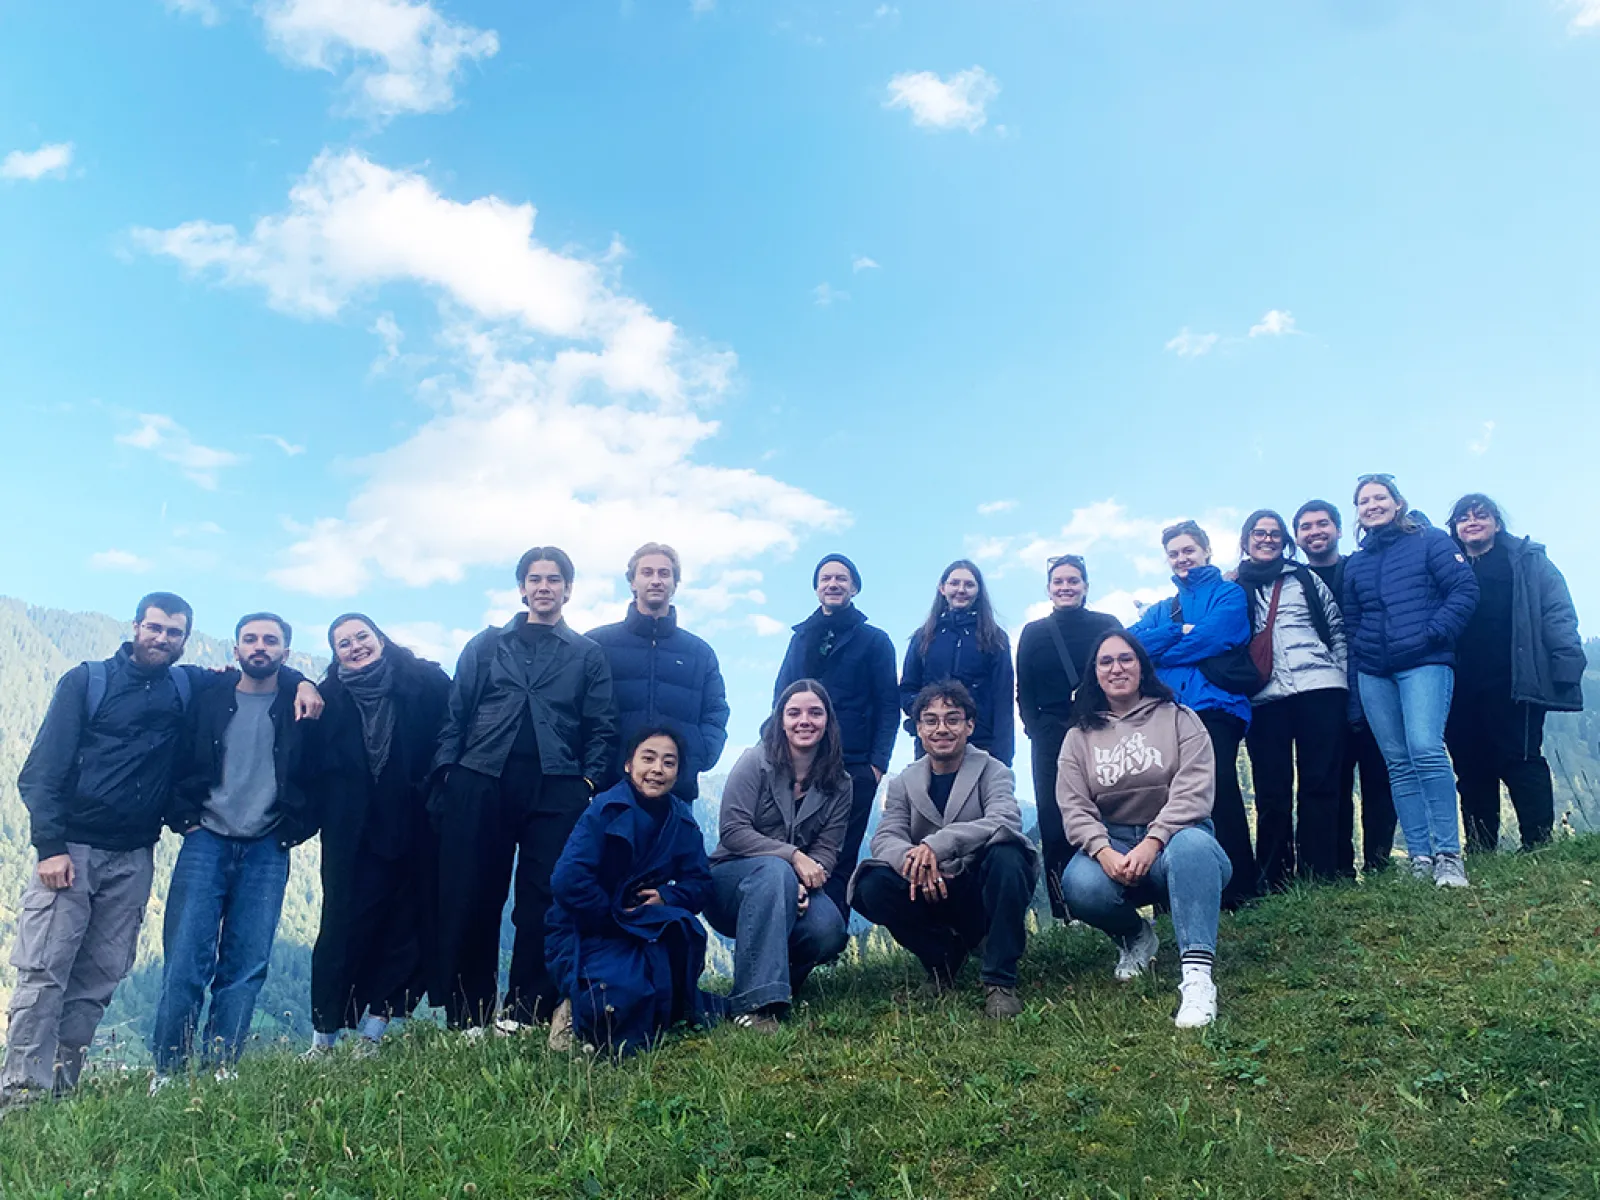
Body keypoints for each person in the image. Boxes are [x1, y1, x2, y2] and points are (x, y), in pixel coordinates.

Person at [4, 593, 319, 1103]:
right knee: (45, 971)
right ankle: (21, 1092)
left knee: (98, 975)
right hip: (74, 848)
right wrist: (49, 846)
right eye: (154, 628)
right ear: (136, 626)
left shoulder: (187, 682)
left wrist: (304, 681)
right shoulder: (88, 682)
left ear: (185, 639)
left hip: (134, 855)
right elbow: (42, 772)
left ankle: (60, 1089)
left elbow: (262, 673)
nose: (162, 638)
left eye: (174, 633)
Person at [432, 547, 619, 1030]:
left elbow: (601, 726)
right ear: (521, 588)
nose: (543, 587)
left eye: (554, 579)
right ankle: (468, 1014)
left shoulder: (585, 653)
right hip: (481, 778)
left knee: (542, 897)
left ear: (568, 590)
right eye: (534, 579)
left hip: (557, 785)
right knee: (474, 893)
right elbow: (456, 713)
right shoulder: (488, 644)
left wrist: (588, 781)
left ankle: (527, 1011)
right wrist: (449, 773)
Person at [150, 613, 318, 1086]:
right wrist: (184, 820)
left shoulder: (301, 706)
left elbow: (322, 772)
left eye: (270, 640)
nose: (259, 647)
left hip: (268, 845)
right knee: (185, 959)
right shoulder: (208, 698)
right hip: (206, 839)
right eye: (250, 639)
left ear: (286, 652)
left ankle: (221, 1068)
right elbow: (174, 757)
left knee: (246, 965)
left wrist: (295, 827)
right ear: (236, 647)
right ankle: (168, 1072)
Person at [1057, 630, 1233, 1029]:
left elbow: (1194, 789)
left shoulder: (1180, 718)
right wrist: (1103, 851)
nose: (1116, 668)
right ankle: (1137, 937)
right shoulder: (1078, 738)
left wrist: (1154, 841)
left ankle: (1197, 977)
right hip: (1114, 841)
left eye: (1126, 659)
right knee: (1080, 885)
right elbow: (1074, 806)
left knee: (1190, 847)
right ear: (1095, 675)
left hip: (1180, 838)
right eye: (1106, 662)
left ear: (1141, 666)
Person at [305, 614, 451, 1055]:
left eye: (361, 636)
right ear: (336, 655)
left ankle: (374, 1030)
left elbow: (455, 729)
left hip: (418, 824)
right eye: (343, 643)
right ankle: (324, 1037)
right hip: (352, 833)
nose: (355, 646)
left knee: (408, 928)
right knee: (341, 928)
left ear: (380, 638)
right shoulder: (327, 696)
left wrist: (440, 787)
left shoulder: (425, 682)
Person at [851, 681, 1038, 1019]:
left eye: (952, 719)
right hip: (925, 887)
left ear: (969, 726)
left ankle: (1000, 982)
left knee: (1009, 855)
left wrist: (936, 846)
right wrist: (917, 863)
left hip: (976, 889)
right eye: (931, 720)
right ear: (918, 728)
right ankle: (941, 961)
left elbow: (1003, 820)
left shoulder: (993, 771)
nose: (941, 729)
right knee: (870, 885)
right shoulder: (903, 782)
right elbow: (886, 837)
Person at [545, 728, 721, 1056]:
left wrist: (668, 898)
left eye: (669, 763)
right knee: (621, 992)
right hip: (589, 926)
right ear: (628, 765)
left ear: (677, 773)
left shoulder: (681, 820)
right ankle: (571, 1011)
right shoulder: (603, 810)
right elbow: (567, 881)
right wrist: (614, 918)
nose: (657, 769)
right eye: (648, 758)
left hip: (644, 924)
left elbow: (701, 884)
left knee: (683, 936)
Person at [1343, 475, 1479, 888]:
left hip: (1424, 662)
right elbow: (1351, 626)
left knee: (1425, 748)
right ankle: (1420, 857)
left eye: (1379, 497)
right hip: (1373, 670)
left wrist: (1435, 632)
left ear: (1397, 503)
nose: (1372, 505)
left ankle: (1448, 856)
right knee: (1398, 764)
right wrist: (1356, 690)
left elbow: (1464, 589)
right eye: (1364, 501)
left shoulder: (1430, 540)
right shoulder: (1357, 563)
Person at [705, 681, 853, 1033]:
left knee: (829, 930)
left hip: (793, 884)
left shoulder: (841, 783)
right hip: (730, 884)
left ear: (828, 721)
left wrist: (800, 880)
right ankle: (753, 1005)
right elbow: (733, 831)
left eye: (815, 713)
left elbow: (828, 850)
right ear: (781, 720)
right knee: (774, 870)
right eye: (794, 713)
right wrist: (792, 858)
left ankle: (779, 984)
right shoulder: (754, 761)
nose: (805, 720)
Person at [1128, 521, 1256, 908]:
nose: (1182, 558)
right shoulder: (1162, 609)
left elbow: (1216, 637)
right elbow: (1131, 646)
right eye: (1174, 553)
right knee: (1170, 800)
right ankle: (1176, 894)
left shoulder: (1228, 593)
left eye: (1189, 550)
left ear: (1206, 552)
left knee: (1218, 789)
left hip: (1217, 707)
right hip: (1168, 713)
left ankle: (1239, 889)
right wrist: (1179, 630)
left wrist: (1165, 644)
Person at [1445, 494, 1584, 852]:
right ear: (1455, 527)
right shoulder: (1445, 563)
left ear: (1497, 522)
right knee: (1472, 769)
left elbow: (1557, 610)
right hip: (1459, 685)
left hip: (1515, 680)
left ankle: (1537, 844)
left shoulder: (1525, 559)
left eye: (1481, 515)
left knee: (1521, 759)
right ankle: (1481, 850)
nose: (1472, 522)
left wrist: (1566, 661)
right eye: (1464, 517)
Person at [773, 554, 899, 915]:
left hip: (854, 763)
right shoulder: (799, 640)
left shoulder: (874, 641)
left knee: (841, 856)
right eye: (825, 578)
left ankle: (830, 935)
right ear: (816, 589)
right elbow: (780, 697)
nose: (833, 584)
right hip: (799, 764)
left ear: (854, 587)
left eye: (841, 578)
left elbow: (888, 704)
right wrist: (775, 752)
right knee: (797, 849)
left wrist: (877, 765)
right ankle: (795, 944)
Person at [1235, 511, 1349, 889]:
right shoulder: (1232, 588)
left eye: (1274, 534)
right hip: (1264, 697)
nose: (1266, 539)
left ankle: (1321, 874)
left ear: (1284, 541)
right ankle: (1274, 879)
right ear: (1246, 540)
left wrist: (1341, 677)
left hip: (1320, 687)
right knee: (1272, 790)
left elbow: (1335, 627)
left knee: (1321, 783)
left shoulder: (1305, 578)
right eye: (1258, 533)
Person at [1015, 554, 1123, 916]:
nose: (1065, 587)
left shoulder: (1107, 624)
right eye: (1058, 581)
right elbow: (1024, 687)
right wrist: (1035, 728)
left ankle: (1123, 894)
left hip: (1102, 727)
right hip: (1050, 734)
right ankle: (1066, 909)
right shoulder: (1034, 632)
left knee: (1111, 806)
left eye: (1073, 580)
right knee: (1053, 813)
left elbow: (1121, 669)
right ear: (1049, 589)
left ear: (1086, 587)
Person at [1293, 500, 1396, 875]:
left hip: (1373, 679)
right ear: (1298, 537)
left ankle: (1379, 863)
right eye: (1306, 526)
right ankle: (1335, 869)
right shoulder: (1293, 581)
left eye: (1323, 524)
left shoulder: (1362, 567)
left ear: (1338, 529)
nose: (1315, 531)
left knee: (1378, 776)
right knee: (1328, 780)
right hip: (1321, 692)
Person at [586, 542, 730, 801]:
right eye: (647, 572)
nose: (656, 580)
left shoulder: (699, 653)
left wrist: (697, 754)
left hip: (677, 790)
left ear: (675, 583)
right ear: (632, 582)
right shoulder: (597, 645)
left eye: (664, 574)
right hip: (610, 786)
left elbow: (715, 712)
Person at [898, 560, 1015, 768]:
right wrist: (926, 712)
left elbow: (1003, 699)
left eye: (969, 585)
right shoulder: (923, 637)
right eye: (954, 583)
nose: (961, 590)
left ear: (978, 591)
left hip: (981, 743)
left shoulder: (994, 638)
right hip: (932, 742)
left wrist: (1004, 755)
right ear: (942, 588)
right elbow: (907, 688)